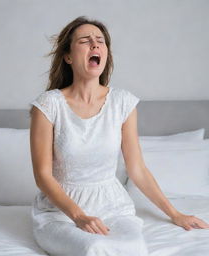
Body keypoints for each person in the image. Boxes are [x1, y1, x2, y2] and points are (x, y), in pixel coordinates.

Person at [29, 16, 209, 256]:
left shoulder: (122, 103)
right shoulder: (48, 105)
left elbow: (137, 170)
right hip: (60, 212)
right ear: (68, 56)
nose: (95, 44)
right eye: (85, 40)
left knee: (133, 249)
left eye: (100, 41)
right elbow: (43, 176)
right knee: (94, 247)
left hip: (113, 206)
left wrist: (175, 214)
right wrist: (79, 216)